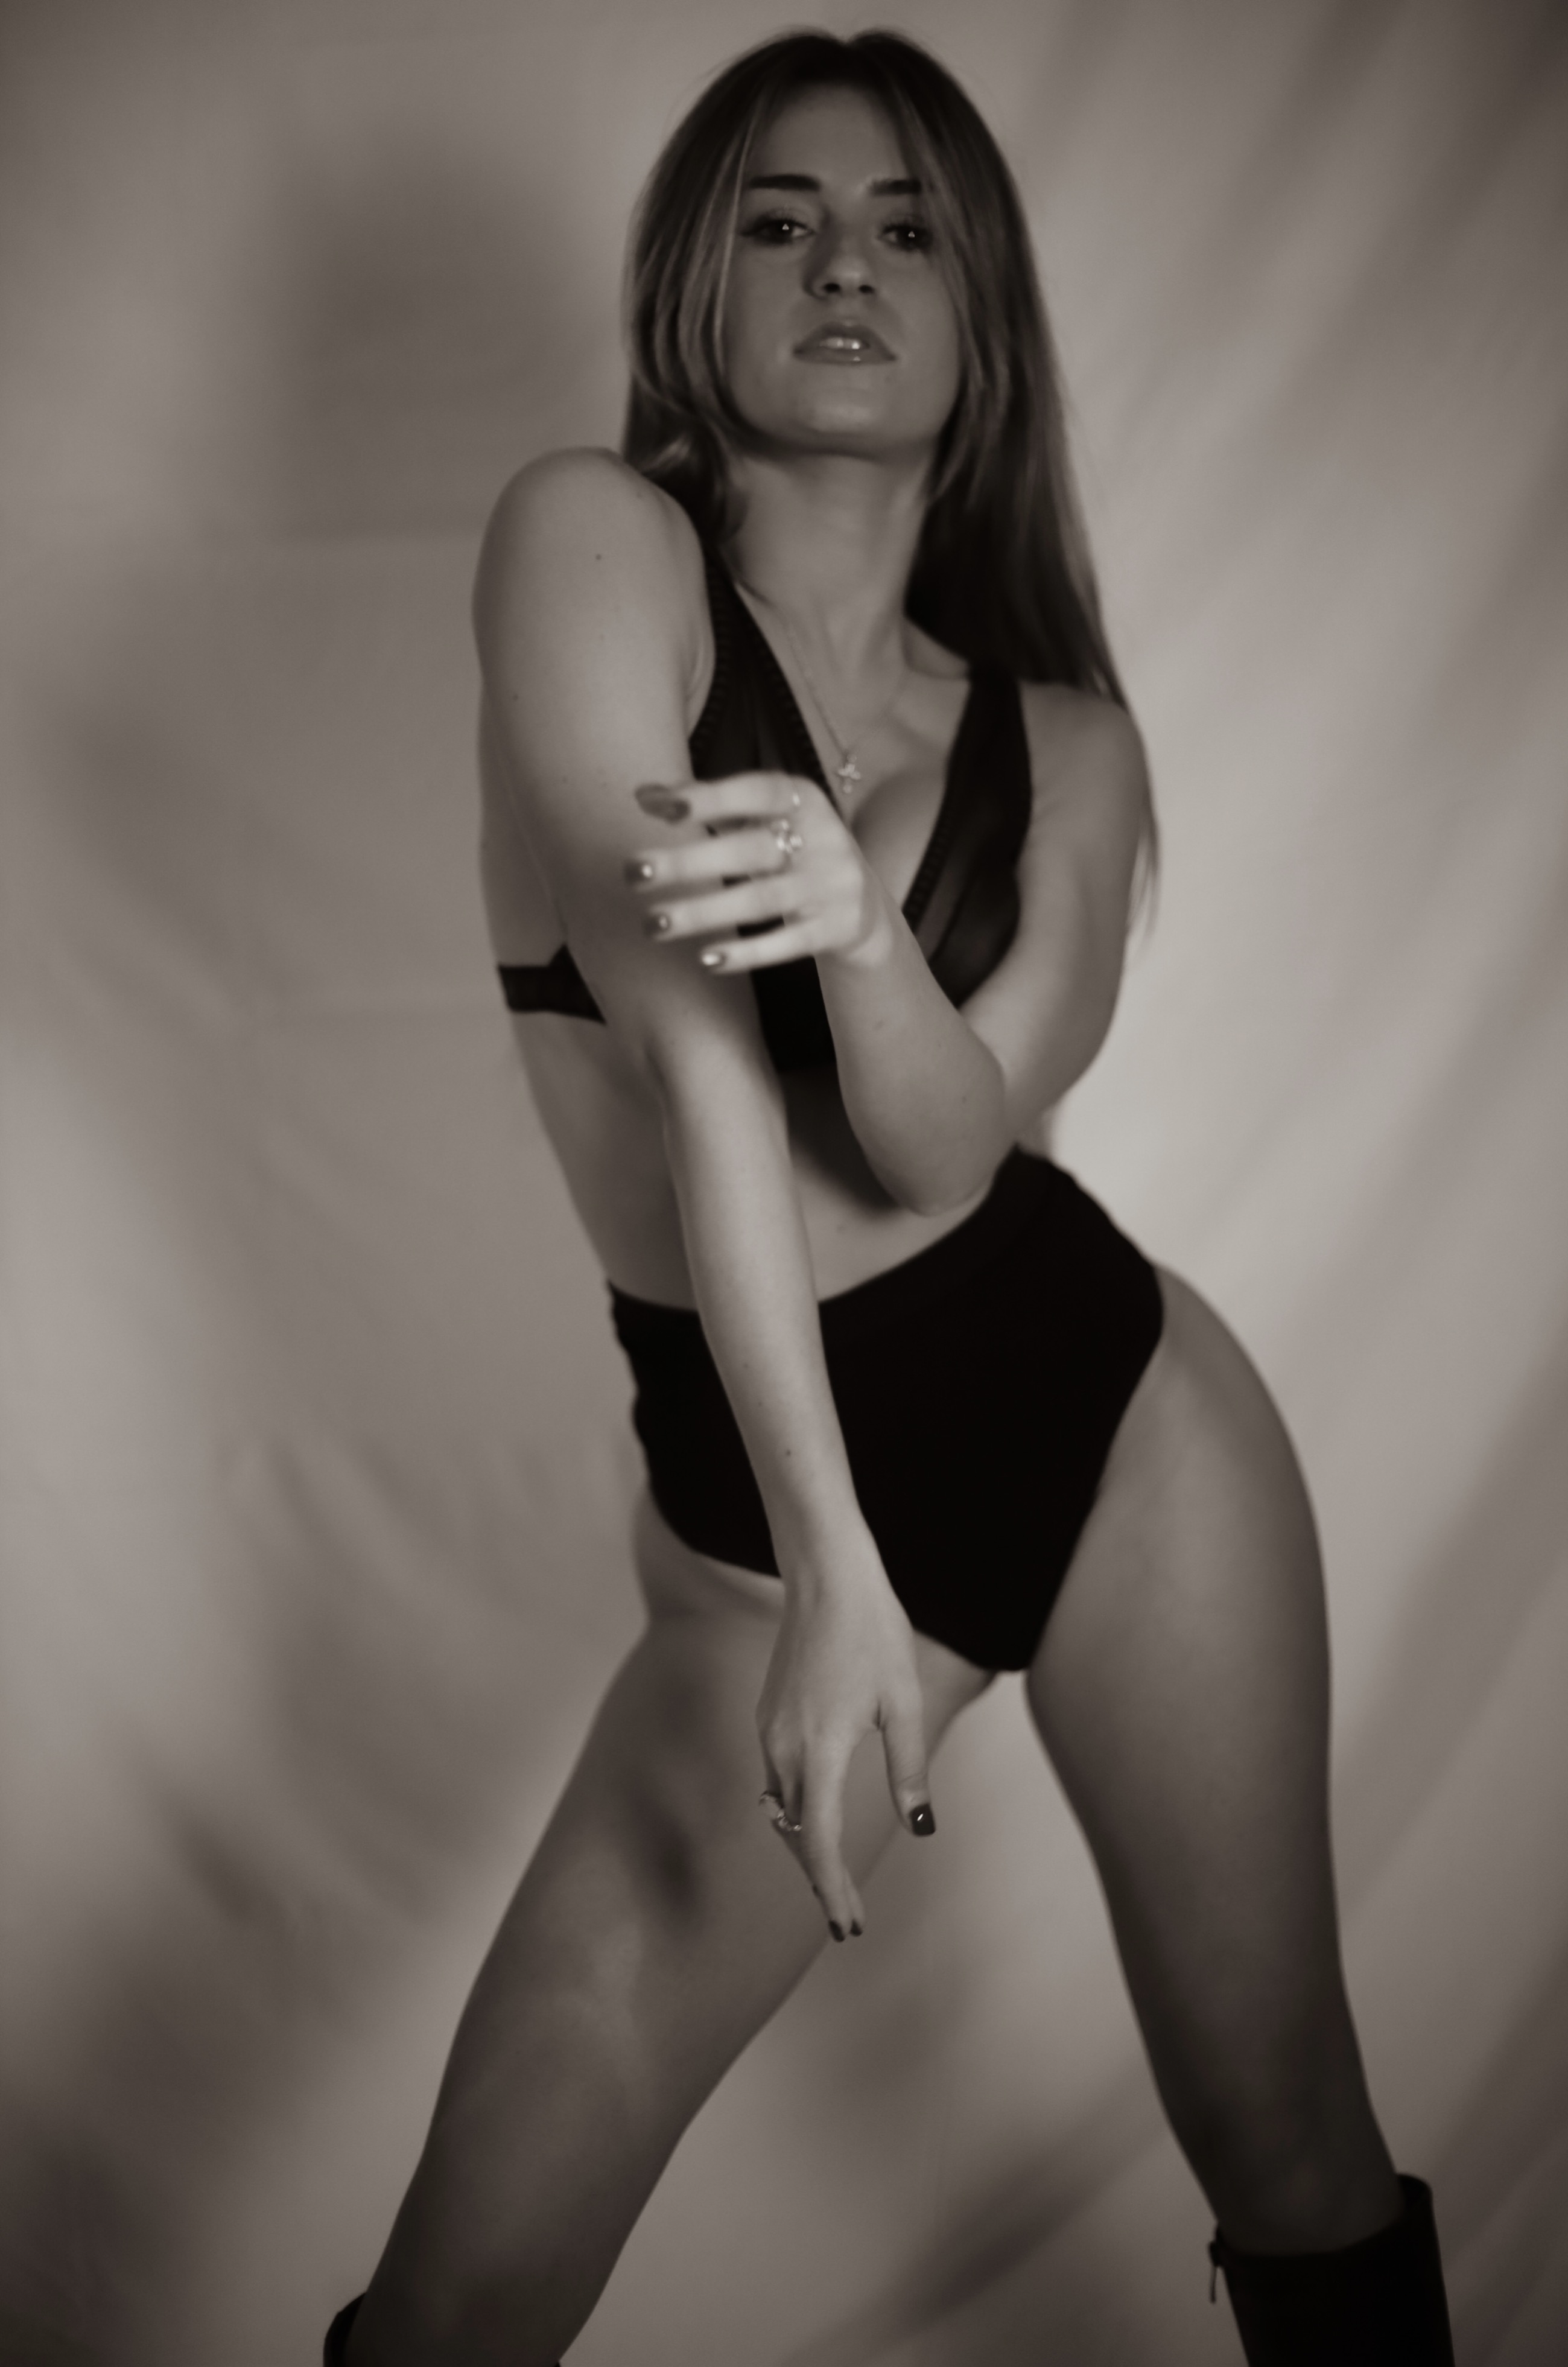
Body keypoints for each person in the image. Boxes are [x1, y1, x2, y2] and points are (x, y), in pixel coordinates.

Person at [326, 31, 1454, 2367]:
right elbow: (698, 1069)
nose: (843, 262)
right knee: (455, 2306)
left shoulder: (1070, 742)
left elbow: (956, 1145)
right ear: (694, 296)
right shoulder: (589, 547)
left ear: (976, 319)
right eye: (780, 219)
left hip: (1122, 1428)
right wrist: (834, 1556)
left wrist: (857, 921)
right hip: (770, 1525)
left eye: (905, 225)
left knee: (1289, 2150)